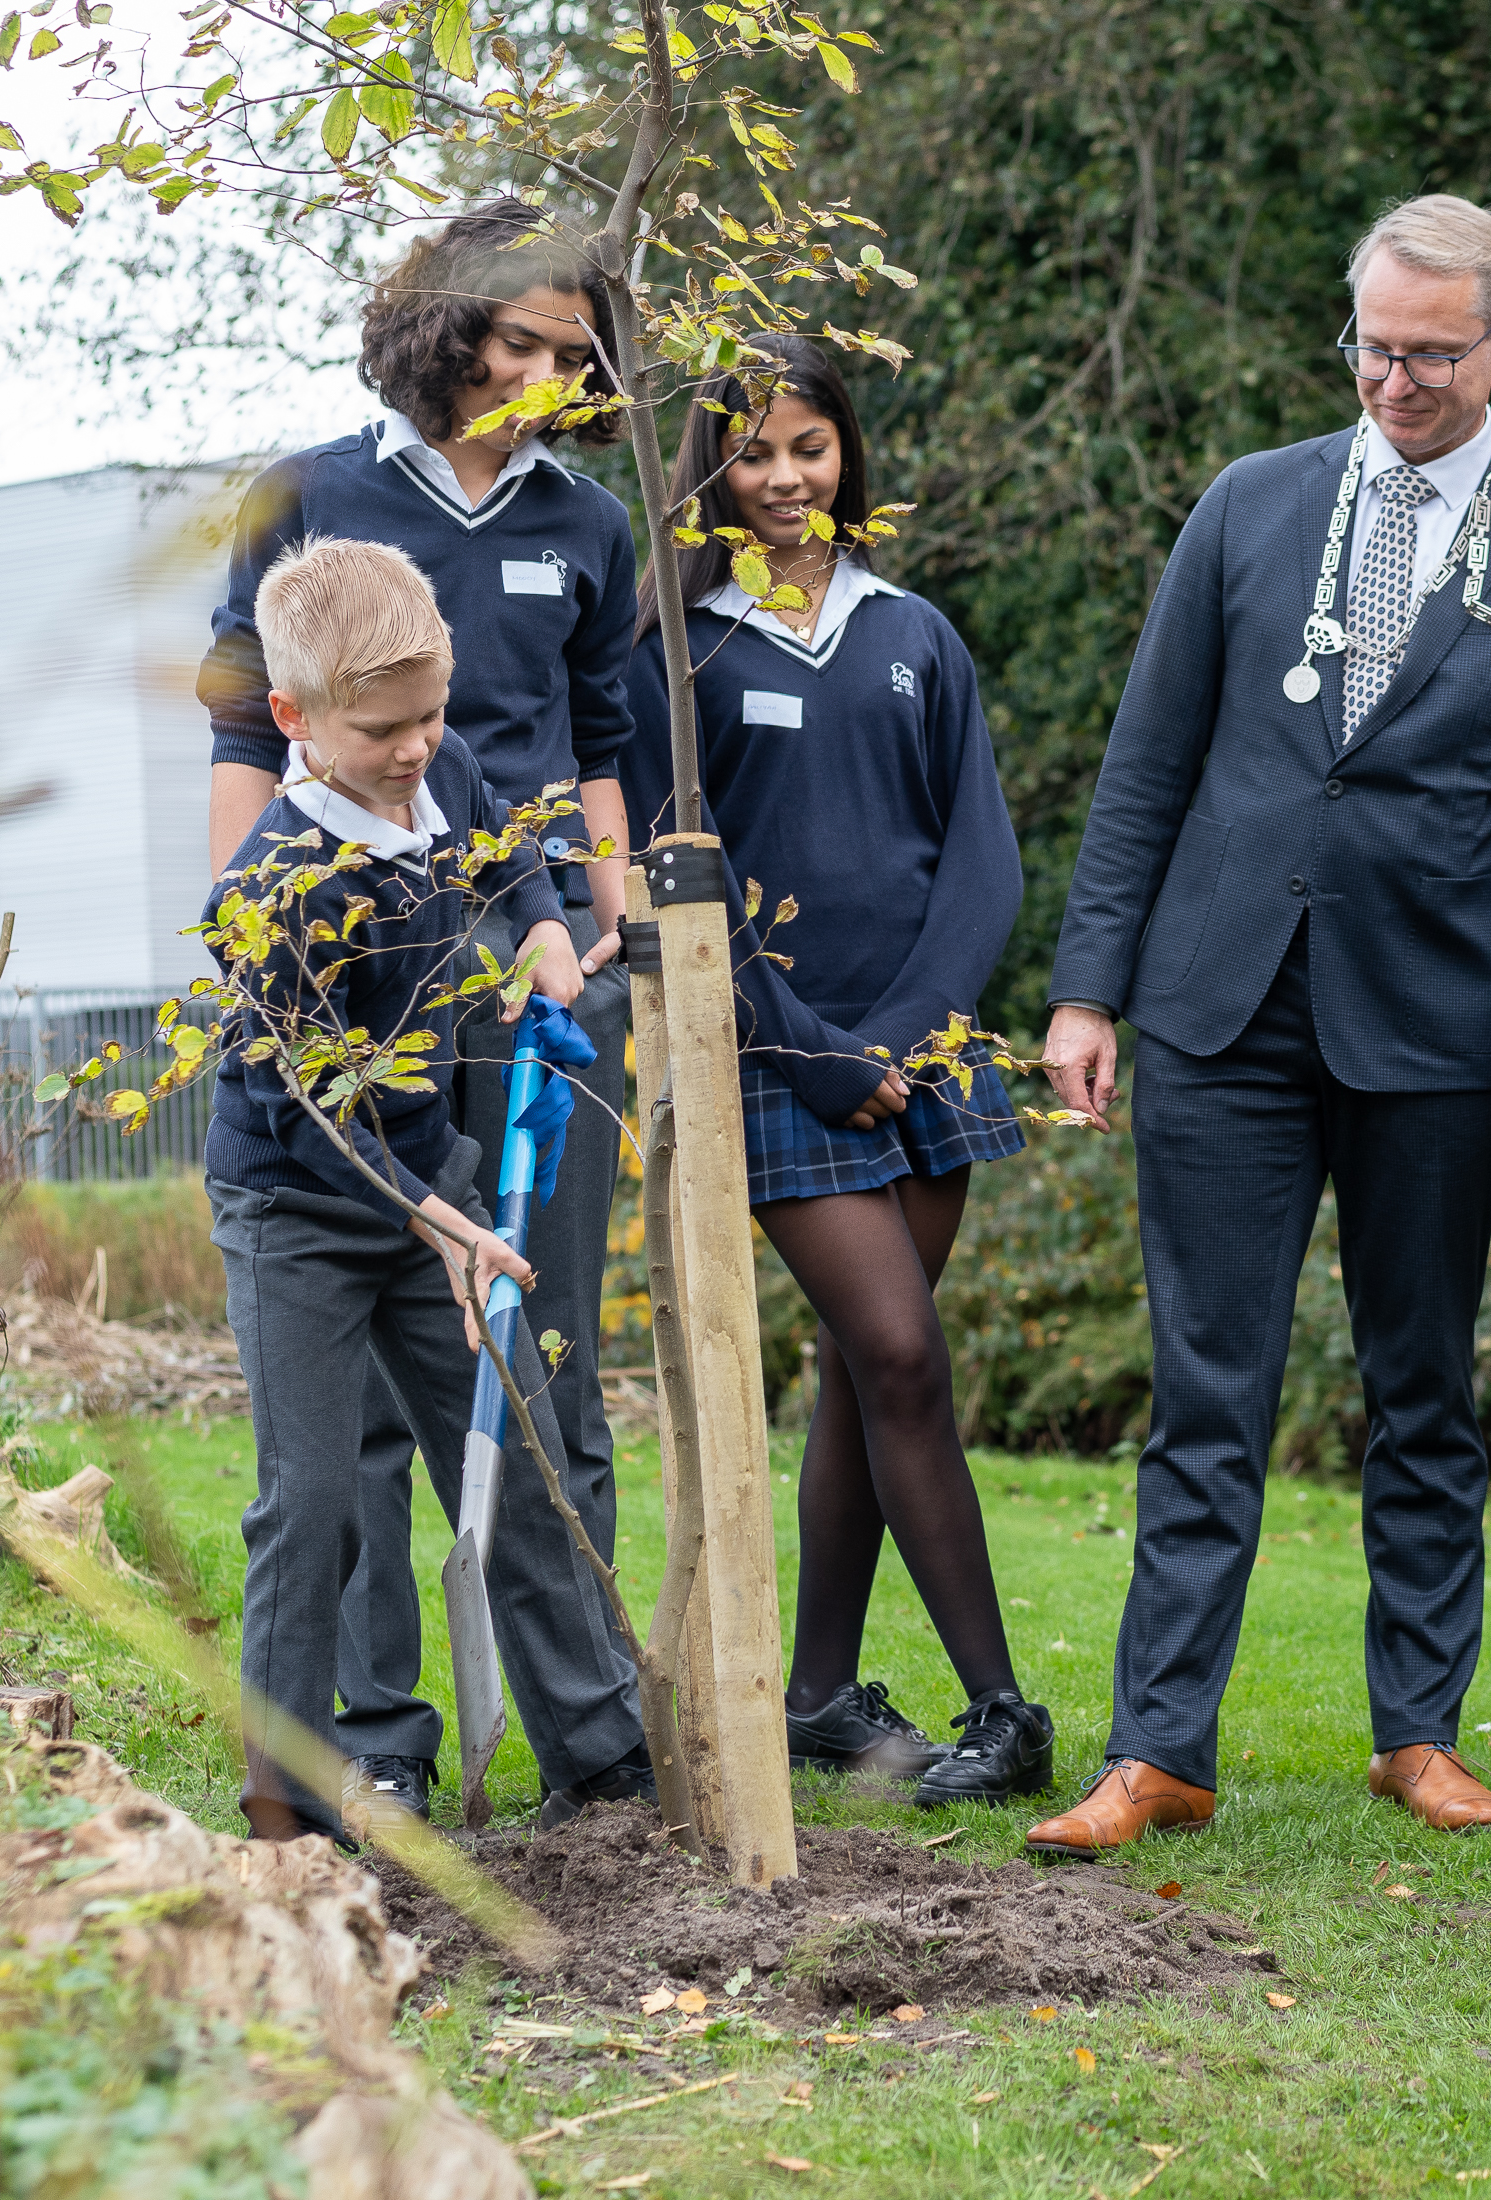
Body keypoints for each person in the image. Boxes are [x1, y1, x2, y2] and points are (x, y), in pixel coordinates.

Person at [1027, 195, 1491, 1858]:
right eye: (1375, 345)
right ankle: (1159, 1750)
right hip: (1221, 1009)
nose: (1397, 379)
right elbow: (1146, 765)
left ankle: (1418, 1732)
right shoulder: (1246, 508)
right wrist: (1091, 988)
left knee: (1421, 1388)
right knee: (1206, 1391)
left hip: (1437, 1033)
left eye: (1433, 352)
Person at [196, 202, 652, 1827]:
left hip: (470, 1027)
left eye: (565, 355)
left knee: (526, 1405)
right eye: (511, 341)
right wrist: (444, 1208)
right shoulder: (308, 504)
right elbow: (329, 1101)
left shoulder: (559, 565)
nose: (537, 376)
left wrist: (559, 931)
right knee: (332, 1470)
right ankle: (330, 1761)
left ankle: (598, 1747)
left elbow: (536, 787)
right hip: (328, 1093)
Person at [614, 334, 1046, 1807]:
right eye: (754, 452)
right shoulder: (681, 656)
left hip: (926, 1066)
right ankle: (1002, 1709)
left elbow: (982, 864)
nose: (788, 478)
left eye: (811, 447)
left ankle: (814, 1695)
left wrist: (912, 1043)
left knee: (875, 1377)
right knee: (904, 1355)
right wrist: (807, 1051)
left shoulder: (916, 633)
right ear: (709, 472)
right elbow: (685, 884)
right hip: (780, 1069)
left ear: (847, 452)